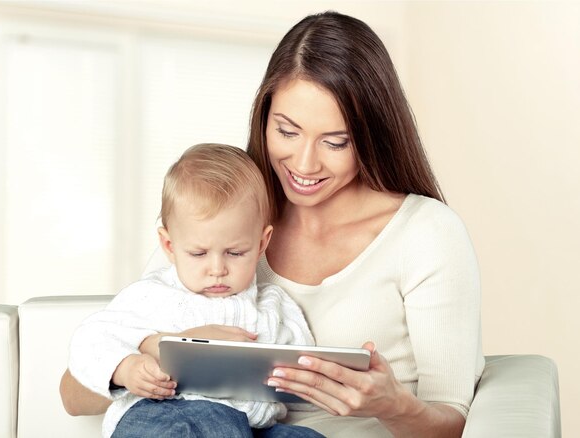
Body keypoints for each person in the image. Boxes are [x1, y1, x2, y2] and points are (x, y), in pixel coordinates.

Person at [61, 11, 484, 437]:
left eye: (335, 142)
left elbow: (453, 422)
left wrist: (393, 406)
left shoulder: (426, 234)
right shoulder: (222, 219)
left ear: (371, 136)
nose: (304, 164)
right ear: (264, 117)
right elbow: (74, 393)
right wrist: (160, 349)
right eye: (287, 131)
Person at [67, 143, 322, 438]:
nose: (217, 269)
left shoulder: (274, 307)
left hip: (249, 426)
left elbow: (304, 368)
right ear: (169, 246)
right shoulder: (151, 295)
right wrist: (126, 369)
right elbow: (91, 341)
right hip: (160, 415)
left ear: (262, 243)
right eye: (199, 254)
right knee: (209, 420)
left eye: (236, 252)